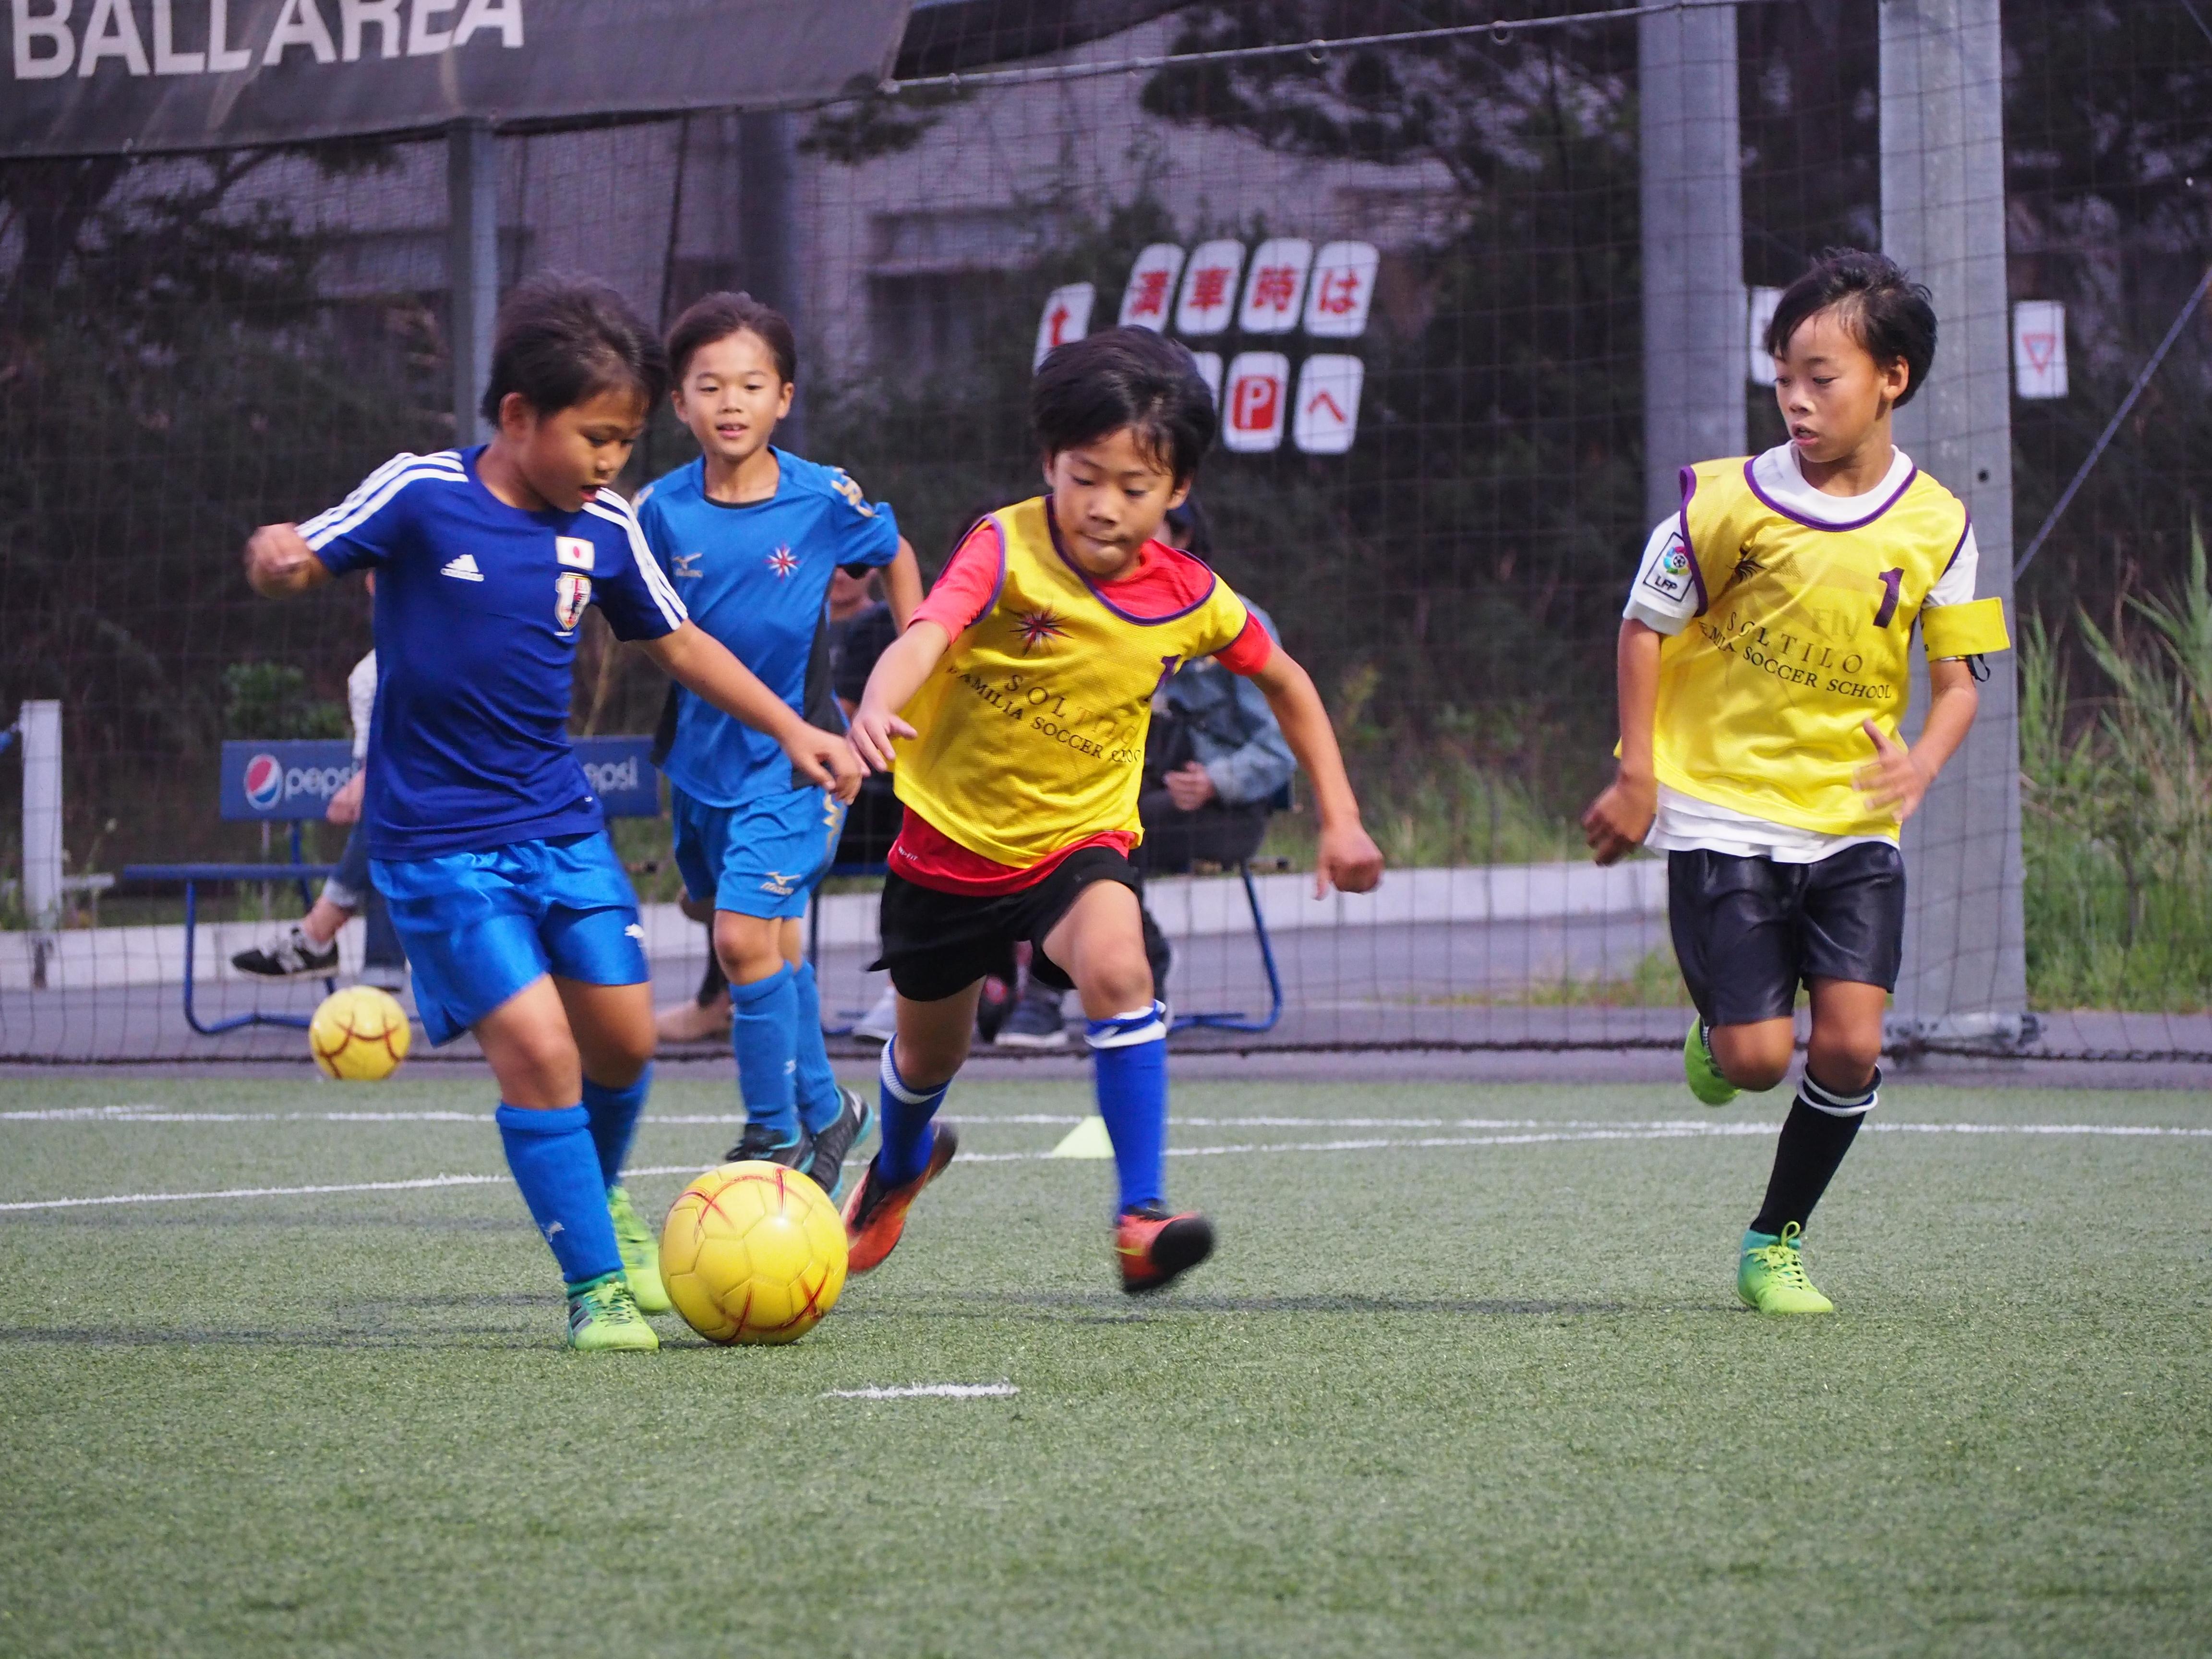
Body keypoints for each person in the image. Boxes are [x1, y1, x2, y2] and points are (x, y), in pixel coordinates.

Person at [242, 275, 861, 1352]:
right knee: (540, 1052)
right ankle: (596, 1292)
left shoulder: (610, 526)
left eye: (625, 440)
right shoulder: (422, 492)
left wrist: (794, 728)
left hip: (563, 828)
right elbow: (307, 546)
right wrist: (280, 558)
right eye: (597, 437)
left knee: (623, 1046)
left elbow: (678, 644)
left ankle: (606, 1204)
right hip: (439, 845)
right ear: (519, 417)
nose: (613, 461)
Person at [842, 326, 1384, 1293]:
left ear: (1177, 491)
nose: (1104, 508)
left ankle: (1140, 1217)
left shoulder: (1190, 595)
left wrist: (1340, 817)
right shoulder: (1004, 545)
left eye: (1135, 489)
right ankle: (894, 1169)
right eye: (1085, 477)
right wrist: (882, 701)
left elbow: (1291, 684)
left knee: (1118, 960)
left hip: (1078, 841)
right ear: (1050, 460)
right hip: (948, 842)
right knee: (928, 1058)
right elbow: (927, 629)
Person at [1580, 249, 2010, 1316]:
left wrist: (1923, 759)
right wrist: (1637, 774)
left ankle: (1774, 1242)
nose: (1798, 399)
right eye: (1784, 378)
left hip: (1854, 818)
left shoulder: (1944, 524)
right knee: (1759, 1059)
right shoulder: (1720, 504)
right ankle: (1726, 1022)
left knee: (1854, 1045)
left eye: (1823, 376)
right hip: (1720, 805)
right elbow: (1644, 629)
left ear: (1893, 378)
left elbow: (1962, 683)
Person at [635, 292, 920, 1199]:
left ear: (783, 397)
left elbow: (898, 551)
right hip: (697, 765)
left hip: (803, 763)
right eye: (709, 385)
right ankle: (828, 1111)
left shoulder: (819, 495)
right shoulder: (657, 512)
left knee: (741, 939)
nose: (730, 402)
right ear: (677, 404)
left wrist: (921, 661)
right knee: (772, 947)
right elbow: (647, 630)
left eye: (751, 384)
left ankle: (772, 1134)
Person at [996, 498, 1296, 1047]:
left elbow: (1280, 744)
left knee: (1093, 843)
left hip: (1219, 811)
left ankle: (1064, 992)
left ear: (1180, 536)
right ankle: (1103, 970)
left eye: (1143, 519)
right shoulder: (1090, 617)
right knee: (1051, 828)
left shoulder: (1229, 617)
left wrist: (1217, 780)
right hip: (1129, 795)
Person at [654, 559, 909, 1047]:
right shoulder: (771, 616)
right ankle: (727, 1004)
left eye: (853, 566)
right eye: (829, 566)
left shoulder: (876, 629)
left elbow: (844, 723)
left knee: (749, 891)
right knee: (747, 905)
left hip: (855, 793)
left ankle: (899, 994)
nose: (839, 575)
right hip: (763, 776)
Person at [231, 639, 409, 993]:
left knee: (387, 821)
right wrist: (370, 778)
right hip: (413, 816)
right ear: (374, 584)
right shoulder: (369, 675)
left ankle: (318, 934)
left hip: (490, 802)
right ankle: (377, 992)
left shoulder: (467, 644)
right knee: (387, 836)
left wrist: (370, 781)